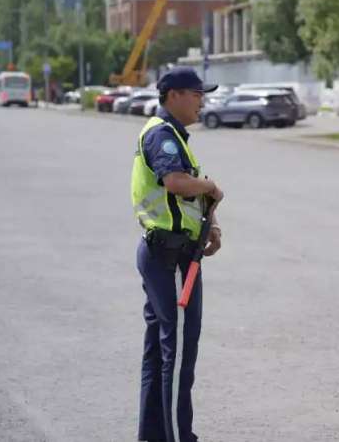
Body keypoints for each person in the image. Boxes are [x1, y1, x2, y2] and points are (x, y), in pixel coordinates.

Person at [132, 67, 223, 442]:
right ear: (174, 96)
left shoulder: (172, 135)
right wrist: (211, 187)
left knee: (159, 352)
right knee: (178, 355)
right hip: (170, 258)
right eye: (197, 93)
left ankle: (154, 435)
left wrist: (212, 224)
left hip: (169, 253)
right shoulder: (162, 135)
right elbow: (175, 182)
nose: (202, 101)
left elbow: (184, 198)